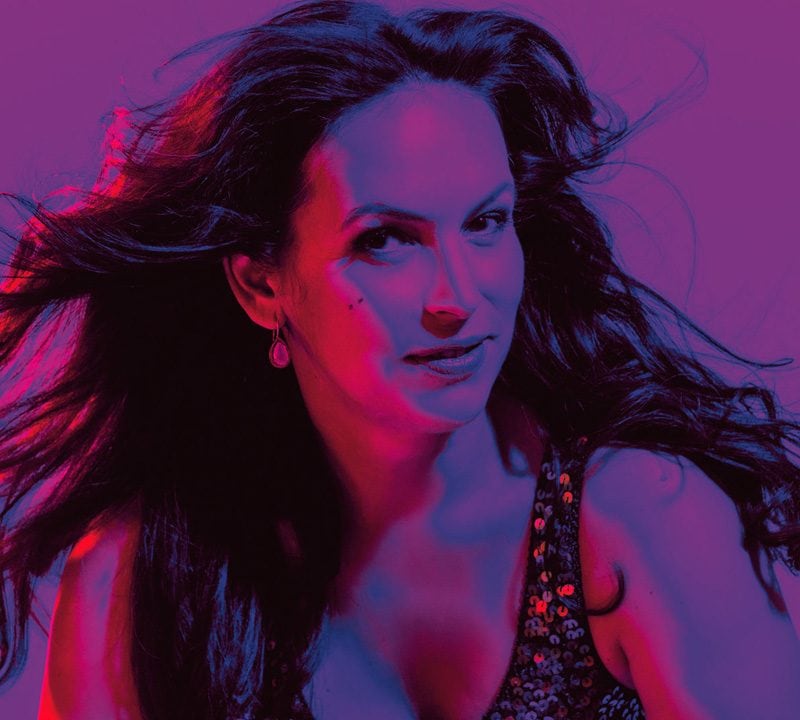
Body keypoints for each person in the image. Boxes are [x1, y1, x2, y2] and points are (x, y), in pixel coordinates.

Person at [1, 1, 799, 718]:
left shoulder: (643, 520)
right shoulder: (144, 579)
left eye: (485, 223)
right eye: (386, 240)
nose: (458, 296)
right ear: (261, 285)